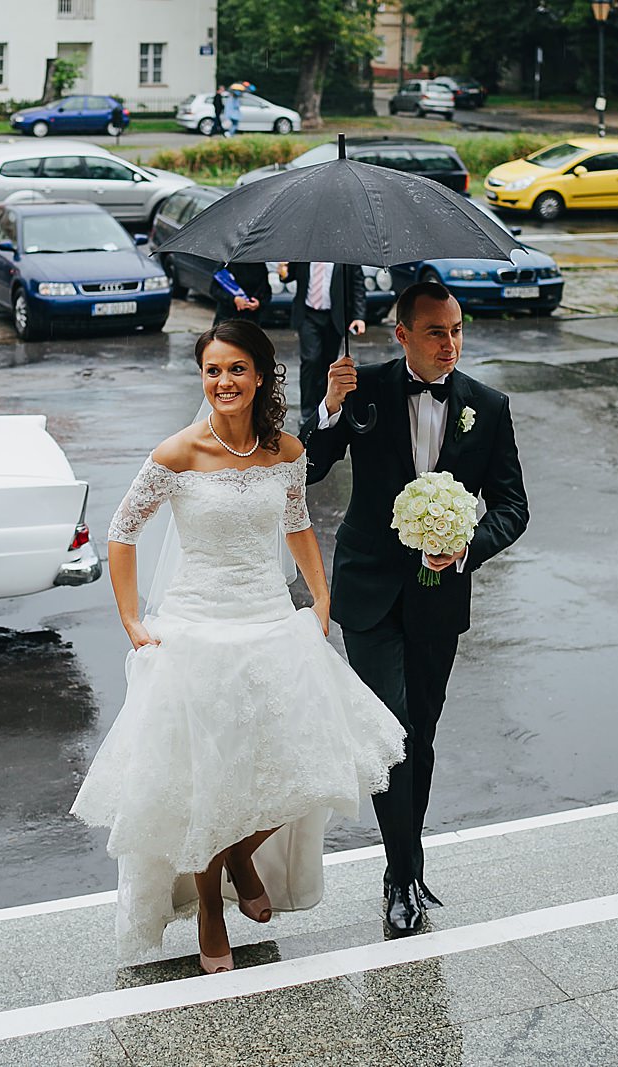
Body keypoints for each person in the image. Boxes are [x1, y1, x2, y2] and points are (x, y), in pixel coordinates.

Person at [71, 320, 405, 973]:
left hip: (270, 621)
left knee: (308, 770)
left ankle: (242, 853)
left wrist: (321, 592)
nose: (223, 382)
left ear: (259, 377)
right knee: (203, 784)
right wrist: (132, 619)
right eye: (213, 370)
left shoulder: (285, 450)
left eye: (236, 370)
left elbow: (298, 522)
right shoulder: (177, 454)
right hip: (196, 631)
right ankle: (209, 910)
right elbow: (121, 530)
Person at [305, 281, 529, 935]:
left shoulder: (487, 406)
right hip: (369, 590)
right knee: (392, 738)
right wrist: (328, 406)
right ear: (401, 334)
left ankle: (403, 862)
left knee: (421, 740)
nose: (450, 344)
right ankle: (405, 877)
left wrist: (464, 546)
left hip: (440, 597)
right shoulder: (363, 388)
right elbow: (309, 468)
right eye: (435, 331)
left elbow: (513, 506)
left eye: (457, 329)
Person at [287, 260, 366, 434]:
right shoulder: (304, 253)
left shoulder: (345, 257)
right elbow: (288, 276)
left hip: (334, 317)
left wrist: (359, 316)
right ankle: (307, 411)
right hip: (307, 315)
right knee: (311, 359)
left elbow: (357, 286)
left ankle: (323, 409)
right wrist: (283, 270)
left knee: (328, 364)